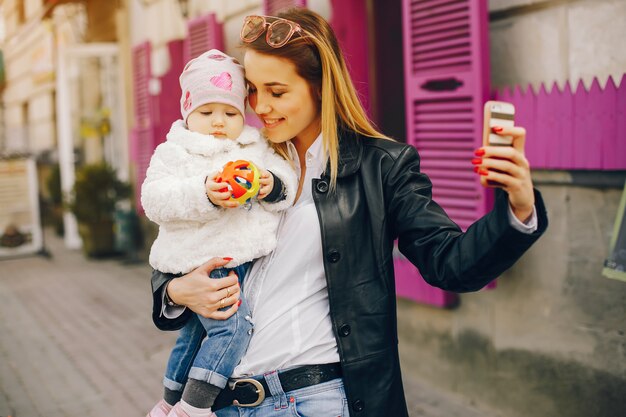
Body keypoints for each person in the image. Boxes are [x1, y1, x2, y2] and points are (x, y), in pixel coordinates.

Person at [151, 9, 548, 417]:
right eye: (251, 90)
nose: (260, 106)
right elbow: (183, 241)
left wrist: (518, 207)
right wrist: (175, 291)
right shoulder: (240, 156)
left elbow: (450, 264)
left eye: (277, 91)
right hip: (223, 404)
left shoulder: (381, 168)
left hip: (315, 401)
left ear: (320, 87)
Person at [142, 49, 297, 417]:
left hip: (240, 257)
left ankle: (167, 403)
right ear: (187, 109)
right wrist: (204, 192)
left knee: (195, 334)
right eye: (206, 112)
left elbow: (286, 179)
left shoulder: (254, 145)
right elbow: (154, 200)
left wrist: (268, 184)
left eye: (230, 113)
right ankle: (194, 407)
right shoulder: (175, 151)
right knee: (232, 331)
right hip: (202, 260)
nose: (218, 122)